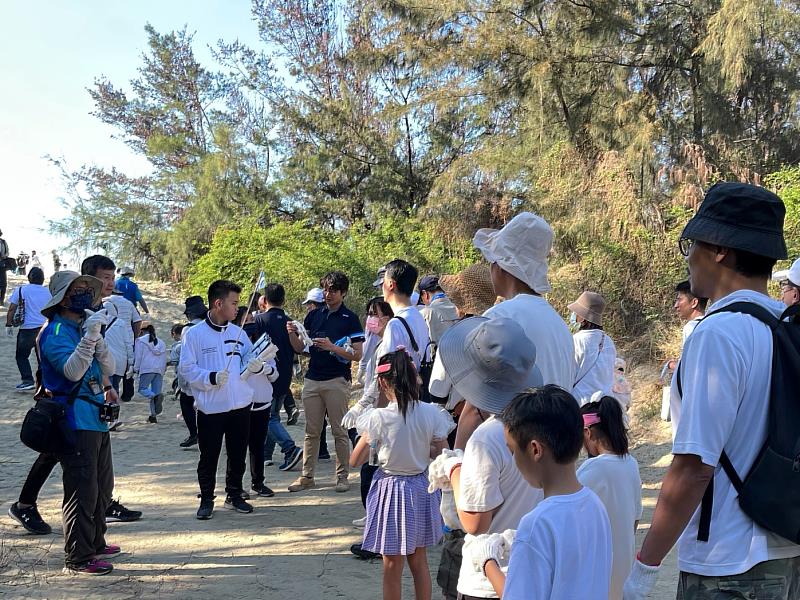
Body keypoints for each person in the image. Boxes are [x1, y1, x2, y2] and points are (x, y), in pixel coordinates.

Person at [624, 183, 800, 599]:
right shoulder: (784, 323)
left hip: (729, 562)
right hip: (784, 544)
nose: (689, 258)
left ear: (719, 249)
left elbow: (693, 467)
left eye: (691, 245)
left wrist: (644, 569)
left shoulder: (718, 333)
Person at [433, 316, 545, 600]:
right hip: (532, 564)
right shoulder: (545, 423)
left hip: (488, 575)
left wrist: (455, 467)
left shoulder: (489, 437)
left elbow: (475, 522)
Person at [474, 385, 613, 599]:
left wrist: (488, 563)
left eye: (512, 451)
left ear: (535, 450)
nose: (513, 459)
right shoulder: (595, 505)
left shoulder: (536, 524)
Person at [350, 350, 455, 600]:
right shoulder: (431, 413)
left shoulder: (379, 418)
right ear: (414, 378)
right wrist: (422, 446)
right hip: (421, 487)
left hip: (390, 488)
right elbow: (444, 454)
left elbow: (355, 460)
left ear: (383, 382)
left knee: (391, 562)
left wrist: (377, 444)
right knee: (418, 560)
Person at [37, 270, 118, 574]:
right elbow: (71, 371)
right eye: (78, 288)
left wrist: (97, 339)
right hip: (73, 419)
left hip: (96, 416)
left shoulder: (84, 327)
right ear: (63, 297)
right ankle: (79, 555)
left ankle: (95, 541)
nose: (86, 292)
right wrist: (90, 339)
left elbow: (110, 366)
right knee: (82, 488)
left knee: (101, 486)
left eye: (88, 287)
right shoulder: (55, 332)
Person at [181, 280, 275, 519]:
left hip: (241, 406)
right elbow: (187, 369)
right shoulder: (194, 335)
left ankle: (234, 494)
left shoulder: (239, 332)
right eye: (233, 303)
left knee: (237, 453)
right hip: (211, 407)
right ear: (218, 303)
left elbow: (247, 360)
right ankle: (206, 499)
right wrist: (211, 377)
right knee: (209, 455)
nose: (237, 309)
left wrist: (255, 365)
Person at [286, 271, 364, 493]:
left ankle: (342, 477)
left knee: (339, 431)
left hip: (337, 379)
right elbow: (301, 348)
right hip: (313, 378)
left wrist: (332, 347)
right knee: (312, 431)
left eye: (333, 290)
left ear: (343, 292)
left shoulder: (350, 318)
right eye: (326, 290)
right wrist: (292, 334)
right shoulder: (314, 315)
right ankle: (307, 476)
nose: (328, 294)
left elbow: (357, 354)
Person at [578, 394, 642, 600]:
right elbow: (634, 521)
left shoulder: (590, 469)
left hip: (596, 578)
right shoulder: (631, 464)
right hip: (623, 575)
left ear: (588, 432)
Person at [346, 297, 394, 559]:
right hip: (381, 413)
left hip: (382, 416)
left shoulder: (388, 343)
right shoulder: (378, 342)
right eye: (368, 314)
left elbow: (382, 385)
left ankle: (375, 539)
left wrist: (375, 419)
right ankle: (375, 534)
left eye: (375, 314)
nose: (370, 319)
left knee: (370, 473)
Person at [254, 283, 303, 471]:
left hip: (265, 375)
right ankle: (266, 454)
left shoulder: (258, 320)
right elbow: (299, 348)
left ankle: (290, 448)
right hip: (285, 375)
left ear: (265, 300)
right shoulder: (290, 322)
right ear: (284, 300)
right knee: (273, 414)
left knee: (269, 417)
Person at [241, 322, 279, 499]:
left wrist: (264, 367)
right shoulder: (237, 351)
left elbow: (274, 376)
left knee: (257, 446)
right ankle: (237, 487)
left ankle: (258, 482)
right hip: (242, 405)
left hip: (262, 404)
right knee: (239, 447)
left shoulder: (266, 351)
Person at [663, 280, 707, 433]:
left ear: (694, 302)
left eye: (679, 299)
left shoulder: (691, 327)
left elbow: (690, 367)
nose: (676, 305)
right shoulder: (711, 323)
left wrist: (672, 365)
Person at [568, 291, 618, 405]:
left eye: (576, 313)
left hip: (582, 404)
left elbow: (568, 375)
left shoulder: (577, 340)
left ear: (583, 318)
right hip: (606, 404)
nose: (573, 316)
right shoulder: (609, 341)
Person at [5, 267, 51, 390]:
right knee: (41, 357)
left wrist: (8, 324)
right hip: (44, 328)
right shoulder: (48, 292)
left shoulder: (21, 290)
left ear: (29, 278)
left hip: (27, 329)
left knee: (21, 356)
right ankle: (44, 383)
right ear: (42, 279)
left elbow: (12, 309)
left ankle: (27, 380)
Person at [103, 277, 143, 406]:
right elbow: (137, 321)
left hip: (108, 337)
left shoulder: (104, 301)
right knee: (127, 368)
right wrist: (135, 336)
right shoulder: (128, 302)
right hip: (126, 336)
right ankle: (127, 395)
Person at [133, 322, 167, 424]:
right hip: (159, 369)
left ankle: (155, 397)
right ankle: (153, 416)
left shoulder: (140, 341)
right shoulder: (162, 342)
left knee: (143, 389)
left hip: (147, 368)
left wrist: (136, 368)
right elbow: (164, 357)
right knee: (155, 392)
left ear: (142, 331)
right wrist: (163, 369)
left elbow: (138, 356)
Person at [418, 275, 459, 345]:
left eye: (422, 300)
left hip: (440, 355)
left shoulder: (424, 314)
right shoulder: (461, 308)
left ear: (425, 294)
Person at [0, 229, 9, 304]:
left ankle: (1, 299)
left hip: (2, 264)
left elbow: (7, 252)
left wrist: (4, 256)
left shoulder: (3, 242)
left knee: (3, 283)